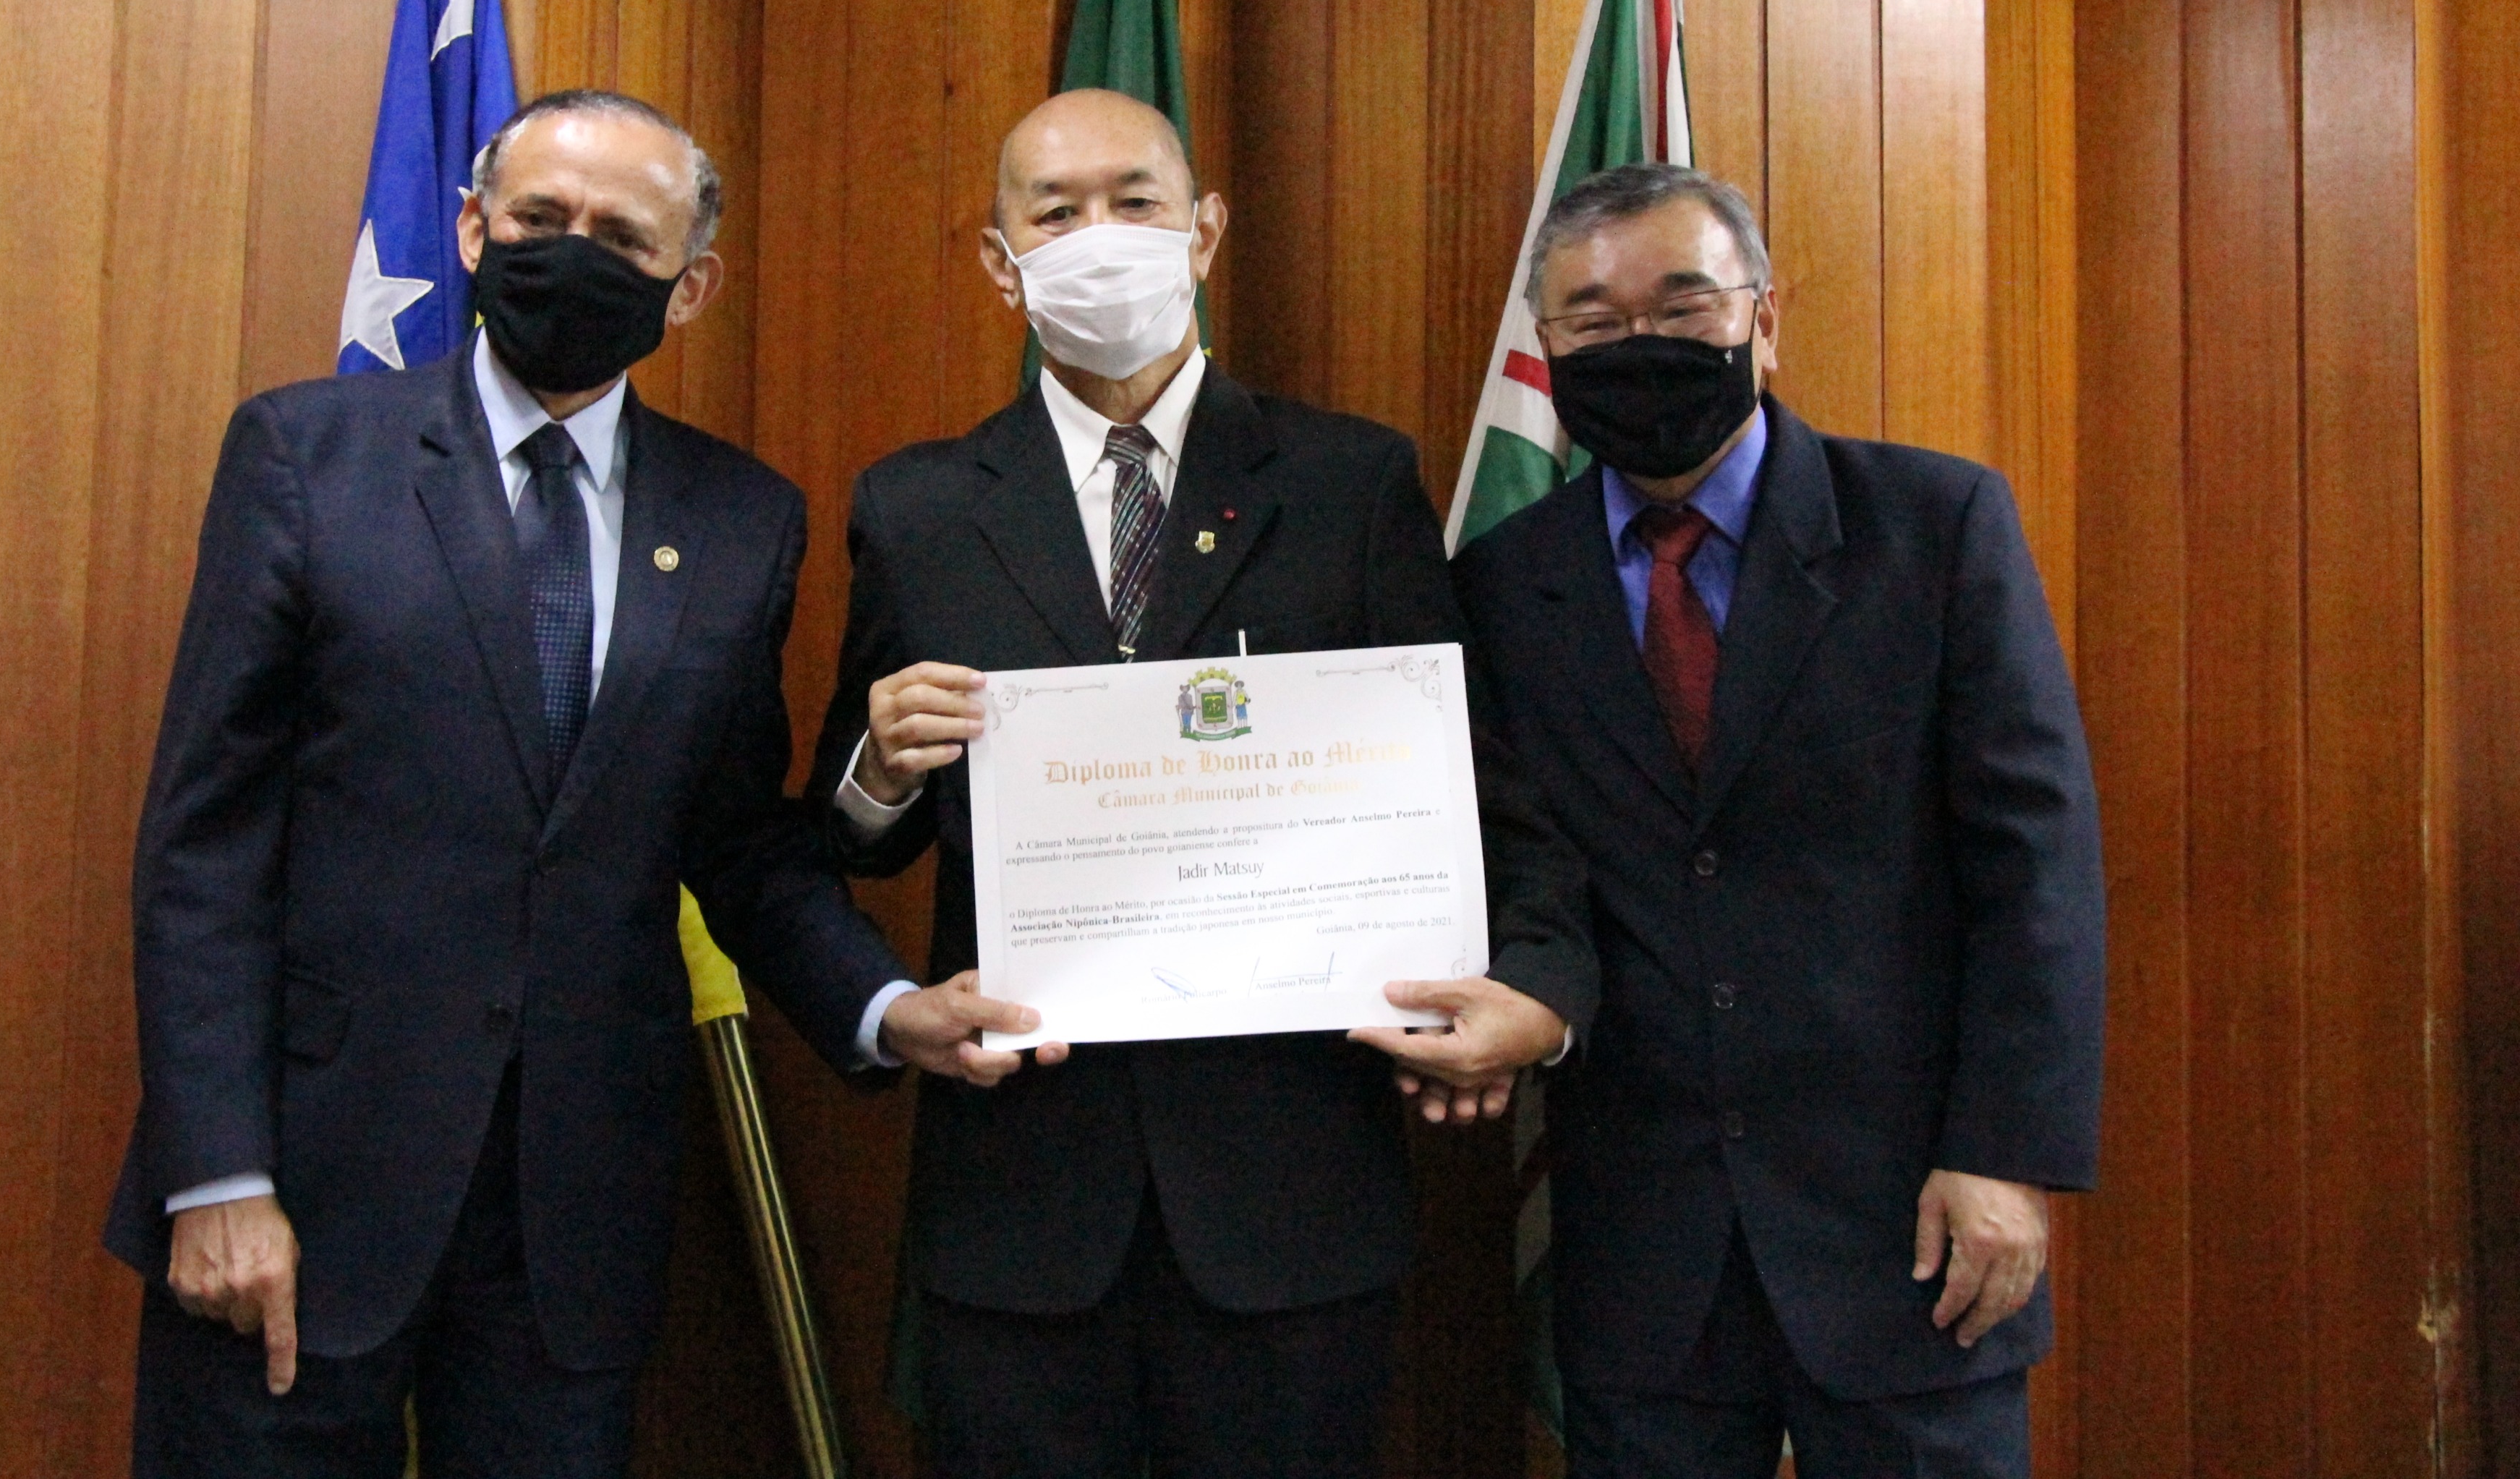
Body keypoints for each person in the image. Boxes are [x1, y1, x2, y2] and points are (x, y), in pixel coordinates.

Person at [104, 89, 1025, 1478]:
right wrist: (218, 1171)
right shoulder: (306, 456)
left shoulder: (740, 520)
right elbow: (205, 848)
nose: (571, 252)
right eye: (541, 218)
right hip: (305, 1179)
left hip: (569, 1217)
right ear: (475, 231)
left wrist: (885, 1006)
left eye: (622, 236)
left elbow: (734, 841)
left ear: (689, 284)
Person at [1382, 164, 2105, 1478]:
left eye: (1682, 305)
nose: (1640, 343)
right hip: (1646, 1245)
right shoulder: (1500, 584)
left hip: (1915, 1221)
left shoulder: (1935, 526)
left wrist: (2005, 1156)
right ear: (1548, 349)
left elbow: (2036, 868)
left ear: (1763, 319)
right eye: (1595, 321)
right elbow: (1517, 863)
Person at [809, 88, 1473, 1478]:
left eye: (1136, 201)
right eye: (1055, 213)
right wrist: (878, 766)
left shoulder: (1352, 483)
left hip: (1290, 1194)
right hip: (1023, 1197)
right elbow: (852, 836)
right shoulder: (918, 508)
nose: (1098, 234)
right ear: (1000, 260)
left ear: (1204, 231)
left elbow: (1457, 791)